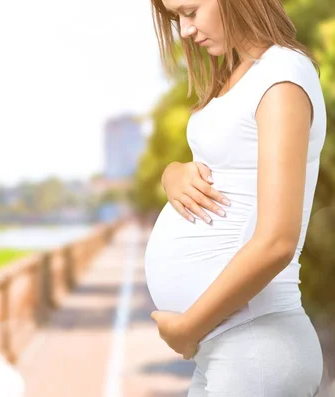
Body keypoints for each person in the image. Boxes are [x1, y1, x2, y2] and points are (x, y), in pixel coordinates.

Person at [143, 0, 327, 395]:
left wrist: (187, 328)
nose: (185, 31)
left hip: (256, 347)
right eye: (176, 18)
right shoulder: (241, 72)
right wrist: (171, 174)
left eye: (190, 12)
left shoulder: (282, 77)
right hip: (230, 349)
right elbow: (222, 172)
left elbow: (277, 242)